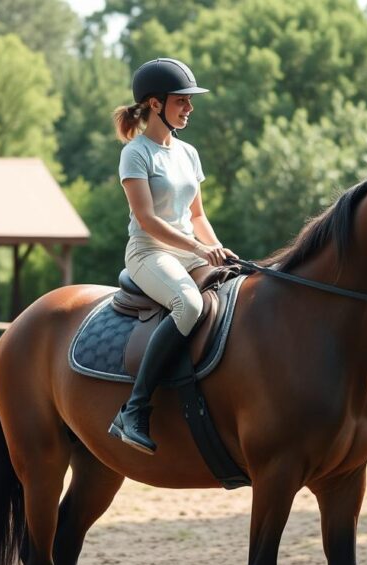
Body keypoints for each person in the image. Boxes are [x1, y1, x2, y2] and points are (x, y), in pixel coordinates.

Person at [107, 57, 237, 455]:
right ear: (155, 104)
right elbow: (146, 219)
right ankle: (134, 409)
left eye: (189, 101)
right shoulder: (136, 153)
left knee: (239, 293)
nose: (190, 108)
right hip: (150, 253)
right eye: (182, 100)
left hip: (187, 251)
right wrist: (198, 248)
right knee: (188, 305)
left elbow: (197, 215)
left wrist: (219, 253)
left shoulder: (188, 153)